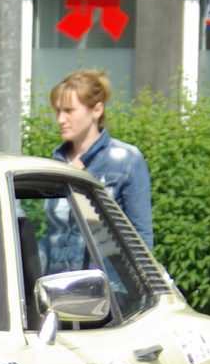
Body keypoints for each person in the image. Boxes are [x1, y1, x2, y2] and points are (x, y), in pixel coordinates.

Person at [50, 69, 153, 250]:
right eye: (57, 111)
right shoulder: (56, 161)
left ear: (97, 110)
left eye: (69, 111)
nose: (60, 119)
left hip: (105, 278)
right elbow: (53, 233)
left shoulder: (127, 161)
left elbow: (141, 238)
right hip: (57, 276)